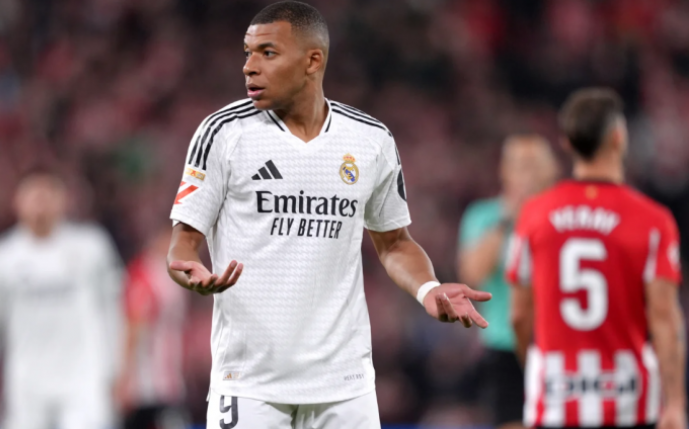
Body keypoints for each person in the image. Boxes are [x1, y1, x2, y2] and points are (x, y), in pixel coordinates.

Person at [167, 1, 492, 428]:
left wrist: (428, 288)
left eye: (267, 53)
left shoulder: (370, 140)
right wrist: (187, 268)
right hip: (251, 382)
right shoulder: (222, 134)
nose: (249, 66)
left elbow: (395, 243)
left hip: (346, 385)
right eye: (247, 53)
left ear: (312, 61)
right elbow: (184, 240)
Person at [506, 88, 686, 429]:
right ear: (618, 138)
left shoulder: (533, 215)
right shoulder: (653, 221)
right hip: (629, 401)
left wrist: (537, 369)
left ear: (566, 143)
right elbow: (665, 318)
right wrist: (675, 403)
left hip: (555, 399)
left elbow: (517, 315)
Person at [0, 168, 123, 429]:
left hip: (83, 383)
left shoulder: (92, 248)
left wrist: (117, 372)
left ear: (63, 200)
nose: (41, 203)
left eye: (48, 194)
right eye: (33, 195)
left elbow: (112, 313)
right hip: (26, 387)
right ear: (17, 201)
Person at [458, 135, 558, 429]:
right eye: (520, 165)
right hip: (505, 344)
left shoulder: (560, 216)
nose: (528, 175)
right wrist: (508, 218)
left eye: (534, 166)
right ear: (504, 170)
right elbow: (471, 273)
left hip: (555, 343)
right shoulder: (484, 216)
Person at [114, 226, 189, 429]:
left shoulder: (170, 273)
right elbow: (135, 326)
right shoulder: (146, 274)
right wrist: (126, 377)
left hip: (165, 384)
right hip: (148, 386)